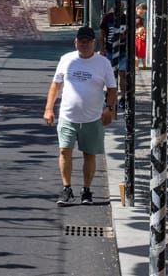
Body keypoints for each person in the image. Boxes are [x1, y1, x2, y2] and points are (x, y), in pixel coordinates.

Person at [42, 25, 118, 205]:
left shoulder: (103, 63)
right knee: (64, 150)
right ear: (75, 42)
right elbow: (56, 85)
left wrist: (109, 108)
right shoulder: (66, 59)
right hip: (68, 116)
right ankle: (67, 188)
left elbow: (113, 88)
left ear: (94, 43)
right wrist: (48, 108)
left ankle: (87, 190)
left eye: (87, 42)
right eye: (81, 41)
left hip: (92, 118)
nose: (84, 45)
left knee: (89, 155)